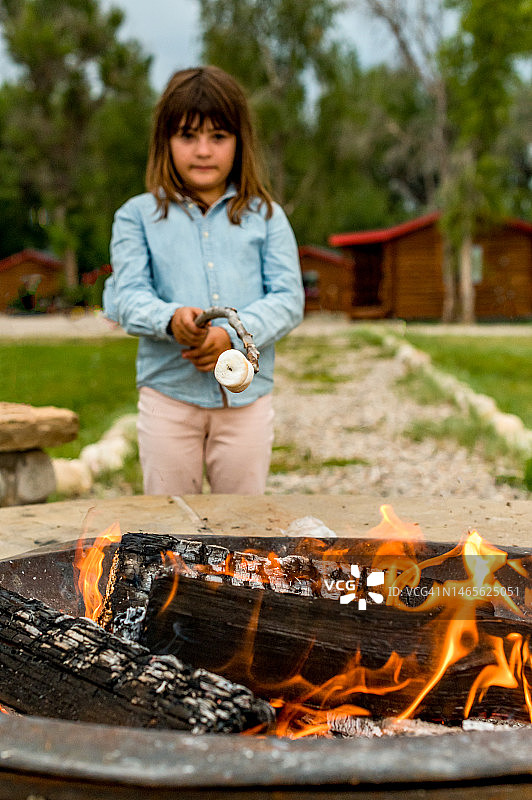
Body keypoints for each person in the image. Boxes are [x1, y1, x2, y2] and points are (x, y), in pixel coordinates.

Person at [103, 65, 304, 495]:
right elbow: (128, 296)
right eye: (188, 136)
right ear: (165, 141)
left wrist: (231, 335)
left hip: (246, 401)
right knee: (169, 522)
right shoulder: (136, 217)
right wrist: (171, 319)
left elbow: (289, 299)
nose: (203, 150)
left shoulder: (267, 217)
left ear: (239, 141)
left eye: (218, 136)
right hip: (167, 398)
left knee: (243, 523)